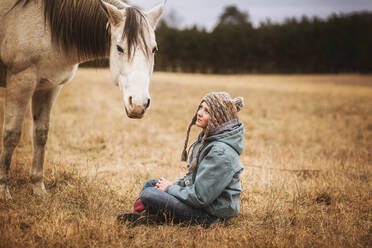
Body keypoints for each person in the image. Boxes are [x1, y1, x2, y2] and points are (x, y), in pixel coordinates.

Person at [117, 92, 245, 228]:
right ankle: (153, 214)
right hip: (200, 202)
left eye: (207, 111)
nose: (199, 113)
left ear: (219, 118)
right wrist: (172, 186)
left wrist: (170, 188)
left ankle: (153, 214)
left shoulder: (220, 153)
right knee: (152, 184)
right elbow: (192, 178)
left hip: (211, 215)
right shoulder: (207, 139)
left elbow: (200, 197)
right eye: (200, 107)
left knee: (150, 194)